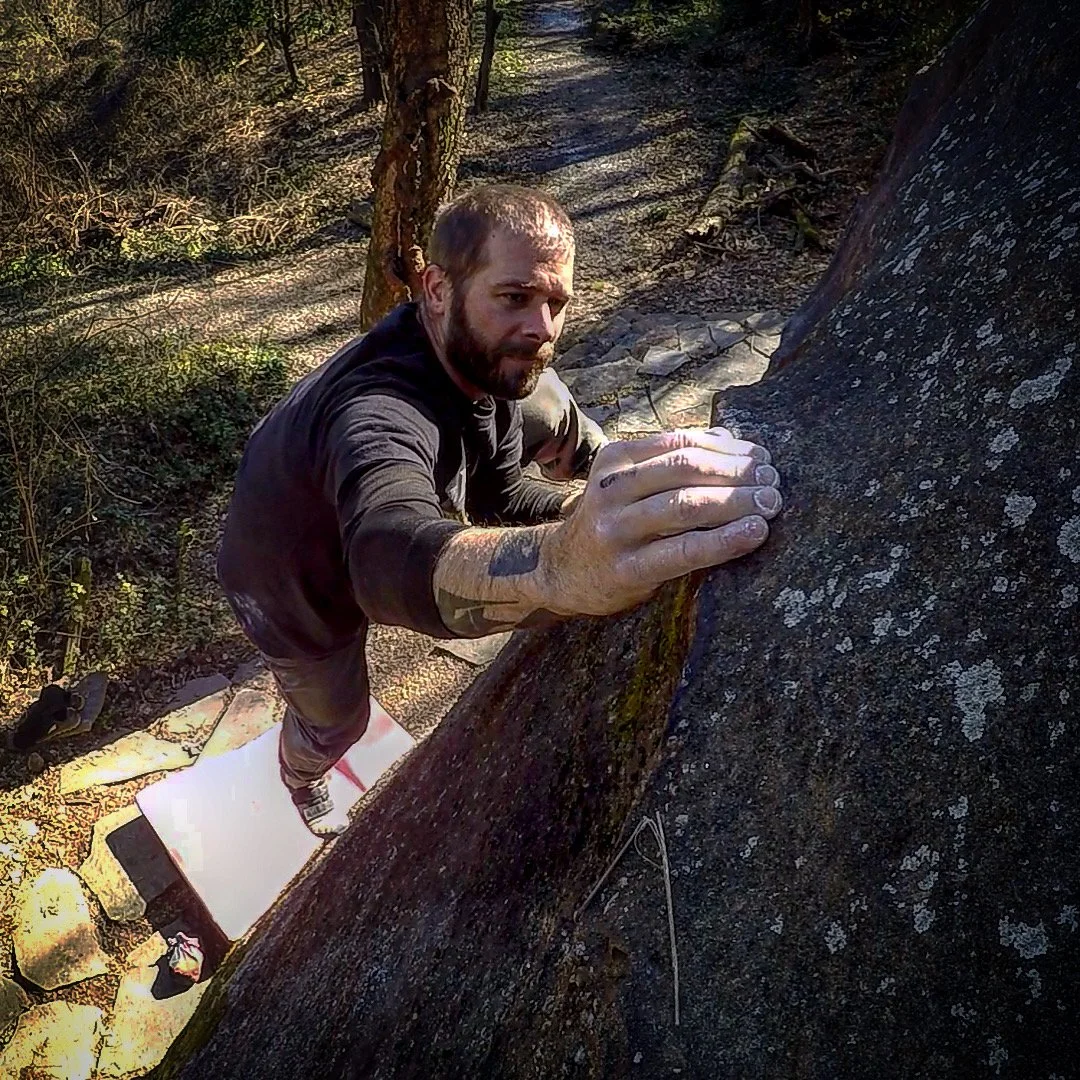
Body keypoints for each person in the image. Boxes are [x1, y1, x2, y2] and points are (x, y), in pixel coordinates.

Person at [217, 184, 782, 837]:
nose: (541, 328)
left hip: (337, 482)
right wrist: (557, 567)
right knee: (337, 719)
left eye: (557, 304)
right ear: (435, 289)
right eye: (514, 297)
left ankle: (599, 470)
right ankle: (301, 775)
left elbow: (502, 492)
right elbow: (382, 552)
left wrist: (588, 512)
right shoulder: (379, 410)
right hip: (290, 582)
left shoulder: (480, 360)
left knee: (541, 392)